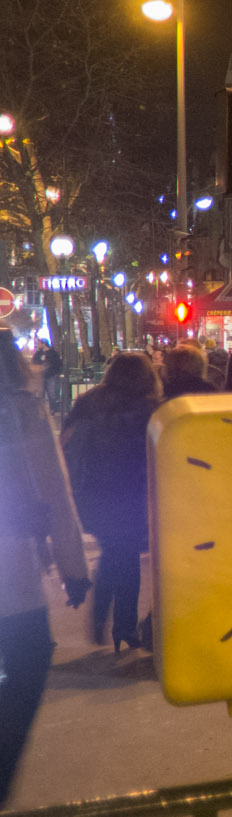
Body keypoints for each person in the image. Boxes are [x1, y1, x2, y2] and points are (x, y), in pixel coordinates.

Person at [0, 328, 91, 805]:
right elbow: (54, 492)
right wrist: (73, 568)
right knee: (29, 657)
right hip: (10, 570)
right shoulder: (20, 410)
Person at [62, 352, 163, 653]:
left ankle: (103, 618)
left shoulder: (90, 401)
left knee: (114, 551)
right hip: (134, 491)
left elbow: (68, 442)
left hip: (94, 492)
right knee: (125, 554)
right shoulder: (150, 407)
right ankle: (123, 626)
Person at [31, 340, 63, 414]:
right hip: (41, 377)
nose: (37, 345)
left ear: (43, 344)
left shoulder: (53, 353)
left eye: (39, 343)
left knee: (52, 394)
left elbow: (58, 364)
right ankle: (40, 411)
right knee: (40, 394)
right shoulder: (38, 354)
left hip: (51, 376)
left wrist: (53, 371)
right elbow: (34, 362)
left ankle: (53, 409)